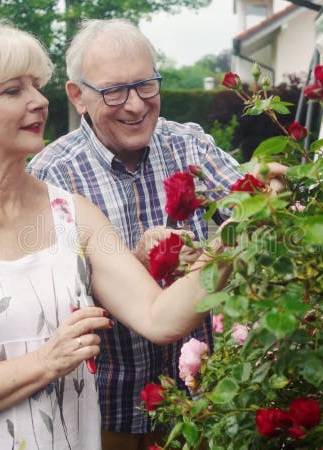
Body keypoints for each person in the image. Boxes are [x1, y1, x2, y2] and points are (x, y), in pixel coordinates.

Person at [0, 20, 227, 450]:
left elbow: (159, 317)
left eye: (36, 86)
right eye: (13, 91)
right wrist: (45, 362)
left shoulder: (73, 215)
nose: (39, 101)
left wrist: (232, 240)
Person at [27, 18, 285, 450]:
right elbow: (44, 308)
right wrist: (133, 263)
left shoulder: (190, 147)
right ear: (79, 96)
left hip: (202, 403)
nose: (135, 105)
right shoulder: (52, 175)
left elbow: (254, 212)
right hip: (106, 414)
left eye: (146, 85)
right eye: (114, 91)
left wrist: (267, 190)